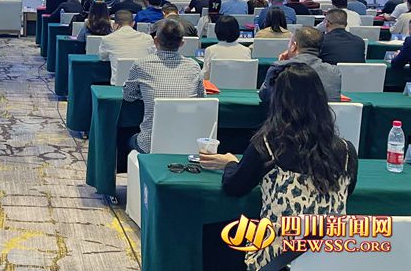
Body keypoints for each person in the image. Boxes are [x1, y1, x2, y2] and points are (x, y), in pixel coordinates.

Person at [200, 63, 357, 271]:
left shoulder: (269, 144)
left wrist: (230, 163)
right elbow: (348, 190)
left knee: (219, 238)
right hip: (330, 260)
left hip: (277, 260)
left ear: (278, 101)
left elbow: (234, 186)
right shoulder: (347, 151)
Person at [123, 20, 205, 153]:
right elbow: (201, 99)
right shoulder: (194, 67)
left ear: (155, 41)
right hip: (186, 143)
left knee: (124, 136)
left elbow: (128, 96)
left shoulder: (141, 65)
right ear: (182, 43)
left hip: (149, 145)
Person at [259, 27, 341, 103]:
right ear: (320, 50)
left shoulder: (280, 69)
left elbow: (264, 95)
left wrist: (280, 63)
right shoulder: (334, 71)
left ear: (293, 46)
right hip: (323, 114)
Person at [98, 10, 155, 85]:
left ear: (114, 24)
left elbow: (102, 58)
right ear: (133, 23)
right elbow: (153, 56)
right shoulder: (148, 38)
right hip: (143, 85)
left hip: (118, 85)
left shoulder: (107, 39)